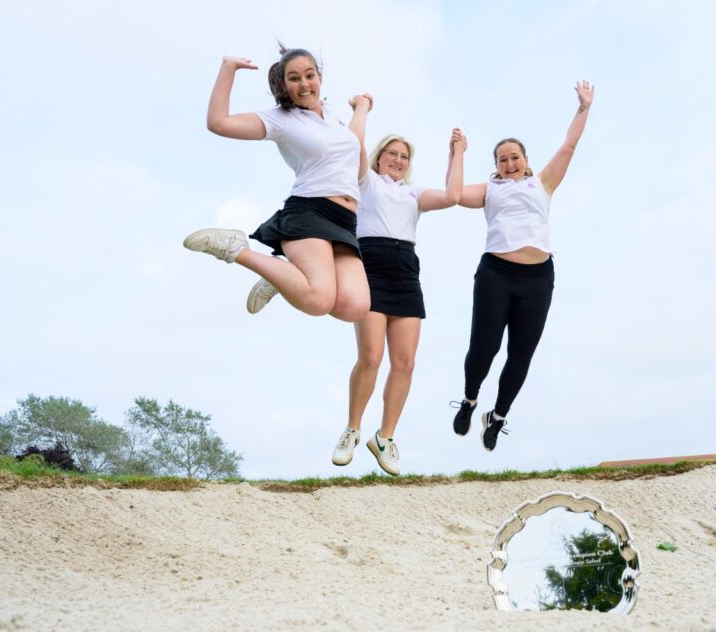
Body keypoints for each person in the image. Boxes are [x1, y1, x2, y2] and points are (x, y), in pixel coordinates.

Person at [451, 80, 594, 452]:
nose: (510, 163)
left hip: (537, 278)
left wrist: (583, 108)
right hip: (496, 274)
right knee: (484, 348)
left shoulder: (542, 184)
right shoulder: (489, 189)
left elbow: (569, 146)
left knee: (521, 355)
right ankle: (469, 401)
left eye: (515, 157)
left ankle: (497, 418)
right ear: (496, 165)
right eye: (502, 159)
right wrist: (458, 152)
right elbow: (452, 194)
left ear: (526, 160)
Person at [183, 46, 374, 322]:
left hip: (345, 220)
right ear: (284, 85)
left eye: (310, 75)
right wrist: (228, 69)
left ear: (320, 77)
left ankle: (283, 277)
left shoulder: (333, 117)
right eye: (294, 78)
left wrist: (363, 107)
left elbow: (355, 144)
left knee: (353, 306)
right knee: (319, 301)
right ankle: (235, 248)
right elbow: (218, 123)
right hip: (311, 211)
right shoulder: (282, 120)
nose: (304, 84)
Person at [331, 128, 468, 476]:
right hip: (371, 267)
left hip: (406, 270)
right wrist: (362, 109)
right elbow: (353, 144)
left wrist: (457, 153)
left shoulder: (414, 192)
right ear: (379, 157)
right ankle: (352, 430)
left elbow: (453, 195)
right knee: (371, 357)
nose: (397, 159)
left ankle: (385, 437)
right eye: (391, 153)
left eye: (404, 156)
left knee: (405, 362)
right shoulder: (366, 182)